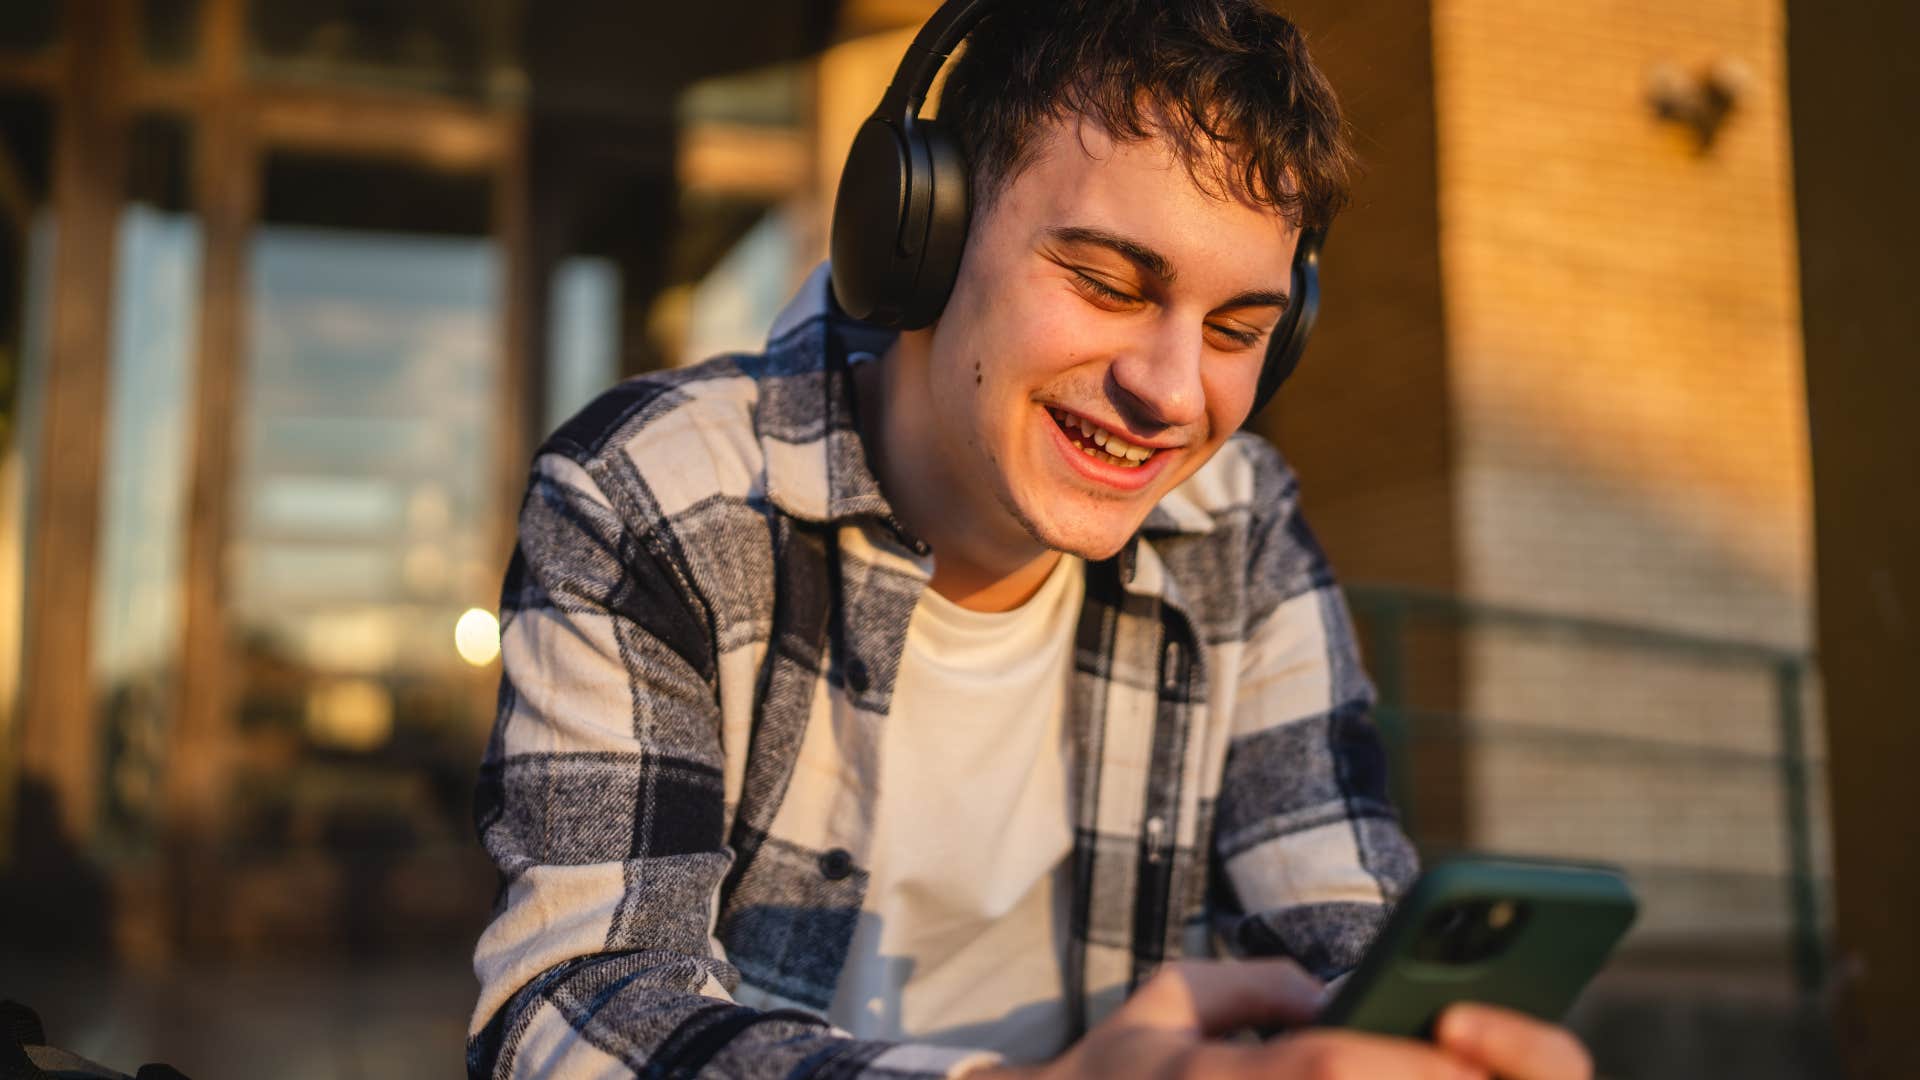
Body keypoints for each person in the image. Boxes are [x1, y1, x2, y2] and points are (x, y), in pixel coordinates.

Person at [467, 2, 1593, 1077]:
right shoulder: (651, 495)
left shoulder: (1237, 522)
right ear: (921, 235)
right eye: (1107, 283)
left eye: (1239, 330)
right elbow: (577, 1014)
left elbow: (1335, 921)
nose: (1170, 392)